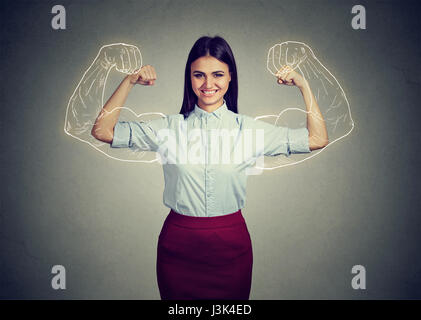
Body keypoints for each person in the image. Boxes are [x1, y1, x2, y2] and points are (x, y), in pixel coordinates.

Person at [91, 35, 328, 300]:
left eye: (217, 74)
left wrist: (303, 85)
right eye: (198, 75)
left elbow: (317, 139)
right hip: (178, 248)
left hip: (231, 247)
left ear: (230, 77)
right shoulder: (168, 128)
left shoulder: (249, 130)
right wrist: (129, 81)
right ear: (189, 78)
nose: (208, 84)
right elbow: (102, 130)